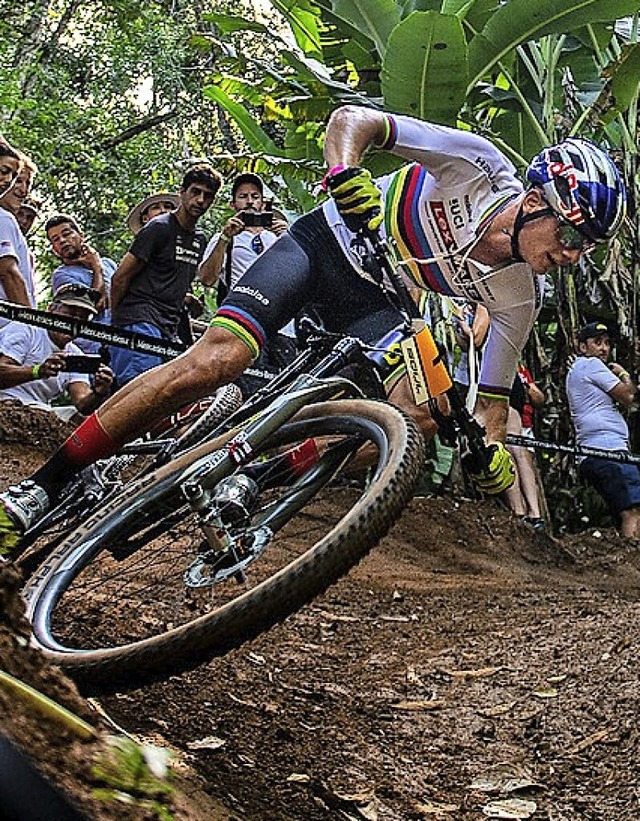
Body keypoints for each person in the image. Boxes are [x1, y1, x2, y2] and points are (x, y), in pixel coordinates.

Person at [0, 106, 627, 552]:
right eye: (572, 236)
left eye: (585, 248)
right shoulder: (478, 167)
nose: (572, 255)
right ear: (538, 200)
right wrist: (344, 173)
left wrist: (490, 453)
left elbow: (490, 401)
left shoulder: (521, 292)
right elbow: (352, 122)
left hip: (377, 297)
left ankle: (260, 475)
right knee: (212, 363)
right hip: (323, 245)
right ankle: (42, 487)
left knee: (418, 412)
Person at [107, 164, 222, 387]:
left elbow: (181, 279)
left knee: (161, 398)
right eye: (195, 192)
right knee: (138, 392)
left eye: (207, 196)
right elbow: (119, 277)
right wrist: (117, 321)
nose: (200, 200)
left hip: (168, 329)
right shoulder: (159, 228)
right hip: (139, 320)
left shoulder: (199, 239)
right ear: (182, 192)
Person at [199, 171, 295, 396]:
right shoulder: (225, 239)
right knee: (248, 392)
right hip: (246, 325)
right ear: (233, 204)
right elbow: (206, 278)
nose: (250, 201)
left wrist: (289, 238)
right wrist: (225, 237)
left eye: (255, 196)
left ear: (264, 202)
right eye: (243, 196)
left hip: (283, 328)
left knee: (285, 392)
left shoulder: (279, 238)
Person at [565, 321, 639, 539]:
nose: (604, 348)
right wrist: (623, 373)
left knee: (627, 509)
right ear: (582, 347)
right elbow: (630, 397)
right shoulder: (590, 365)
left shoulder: (578, 368)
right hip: (608, 450)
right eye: (597, 343)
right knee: (633, 510)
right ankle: (633, 565)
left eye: (607, 343)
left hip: (597, 451)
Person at [0, 284, 114, 422]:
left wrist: (99, 391)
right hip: (7, 403)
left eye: (83, 318)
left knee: (85, 420)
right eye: (70, 313)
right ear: (51, 310)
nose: (74, 322)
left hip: (38, 411)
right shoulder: (26, 330)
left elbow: (82, 404)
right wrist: (37, 371)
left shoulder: (75, 354)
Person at [46, 214, 116, 352]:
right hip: (92, 348)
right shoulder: (62, 275)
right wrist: (96, 267)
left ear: (81, 236)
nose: (62, 240)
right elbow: (95, 304)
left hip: (121, 341)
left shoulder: (109, 264)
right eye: (56, 239)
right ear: (54, 250)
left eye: (66, 234)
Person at [504, 364, 546, 530]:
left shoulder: (518, 366)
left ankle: (523, 513)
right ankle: (529, 514)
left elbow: (539, 398)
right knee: (516, 451)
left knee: (512, 451)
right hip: (511, 397)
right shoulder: (511, 360)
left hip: (507, 395)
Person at [0, 154, 39, 329]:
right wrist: (32, 328)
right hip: (10, 330)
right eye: (18, 181)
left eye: (28, 184)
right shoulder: (3, 218)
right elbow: (9, 273)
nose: (23, 190)